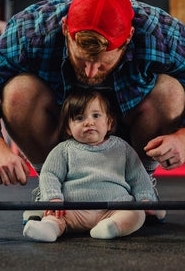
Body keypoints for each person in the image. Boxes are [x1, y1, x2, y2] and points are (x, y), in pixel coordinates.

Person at [0, 0, 185, 188]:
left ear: (128, 38)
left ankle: (140, 184)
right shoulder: (32, 28)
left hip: (129, 137)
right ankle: (52, 184)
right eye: (82, 60)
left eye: (102, 64)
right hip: (61, 131)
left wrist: (184, 139)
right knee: (16, 92)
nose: (89, 73)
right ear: (65, 28)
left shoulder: (164, 34)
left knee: (171, 91)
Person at [23, 89, 161, 242]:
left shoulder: (122, 148)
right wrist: (53, 199)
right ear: (68, 128)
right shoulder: (63, 150)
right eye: (79, 118)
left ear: (109, 122)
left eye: (96, 115)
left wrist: (145, 199)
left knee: (135, 214)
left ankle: (112, 227)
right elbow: (50, 175)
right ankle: (50, 228)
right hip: (73, 208)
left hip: (114, 208)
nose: (89, 122)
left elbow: (138, 176)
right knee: (55, 215)